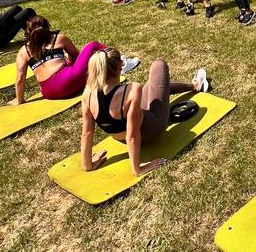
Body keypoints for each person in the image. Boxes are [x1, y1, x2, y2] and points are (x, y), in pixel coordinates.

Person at [81, 48, 207, 176]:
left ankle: (193, 86)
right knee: (159, 65)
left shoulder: (88, 93)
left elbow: (87, 133)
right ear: (120, 65)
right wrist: (137, 169)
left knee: (153, 86)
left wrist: (87, 165)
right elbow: (133, 135)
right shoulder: (132, 90)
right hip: (151, 129)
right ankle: (195, 85)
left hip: (121, 138)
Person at [11, 16, 106, 104]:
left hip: (49, 93)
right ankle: (116, 58)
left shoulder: (23, 51)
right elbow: (76, 56)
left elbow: (20, 79)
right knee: (92, 45)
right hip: (70, 82)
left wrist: (19, 100)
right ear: (47, 27)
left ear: (28, 32)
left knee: (70, 65)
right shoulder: (58, 38)